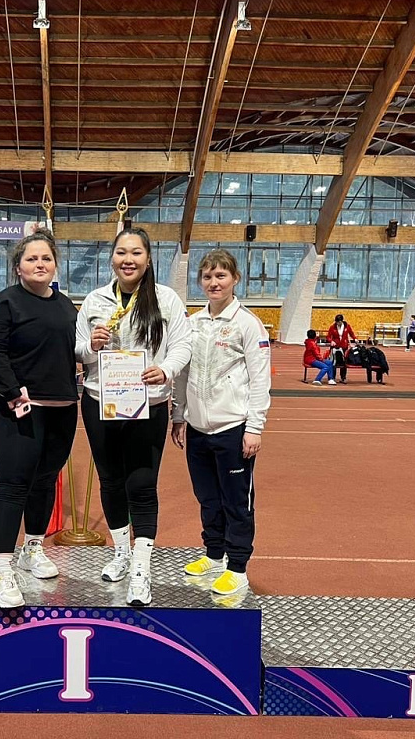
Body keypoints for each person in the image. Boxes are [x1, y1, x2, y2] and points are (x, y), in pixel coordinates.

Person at [76, 227, 192, 607]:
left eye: (136, 252)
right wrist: (90, 347)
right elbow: (77, 350)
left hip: (148, 404)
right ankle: (121, 553)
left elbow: (183, 345)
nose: (128, 259)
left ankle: (142, 568)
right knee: (110, 481)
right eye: (122, 252)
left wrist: (167, 370)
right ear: (112, 257)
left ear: (148, 258)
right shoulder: (94, 300)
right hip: (100, 402)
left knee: (141, 485)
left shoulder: (166, 299)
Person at [0, 229, 79, 608]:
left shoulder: (66, 305)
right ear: (18, 267)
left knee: (45, 482)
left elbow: (71, 351)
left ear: (55, 265)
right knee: (12, 486)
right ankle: (2, 570)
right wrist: (12, 394)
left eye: (46, 258)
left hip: (62, 409)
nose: (40, 264)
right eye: (32, 259)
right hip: (19, 410)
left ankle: (33, 548)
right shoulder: (6, 303)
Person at [170, 249, 271, 597]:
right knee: (207, 498)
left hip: (233, 430)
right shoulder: (193, 324)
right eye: (208, 277)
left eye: (221, 276)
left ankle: (237, 567)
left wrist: (254, 427)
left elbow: (260, 379)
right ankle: (214, 555)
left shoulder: (248, 324)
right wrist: (178, 415)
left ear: (235, 279)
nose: (214, 283)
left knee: (236, 502)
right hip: (197, 430)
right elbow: (182, 374)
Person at [326, 314, 355, 383]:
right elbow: (328, 337)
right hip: (335, 347)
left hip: (344, 346)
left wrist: (355, 338)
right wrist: (331, 341)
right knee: (334, 362)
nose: (337, 323)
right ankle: (332, 377)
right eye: (336, 322)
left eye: (339, 322)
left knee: (344, 362)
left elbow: (351, 334)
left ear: (342, 321)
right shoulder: (332, 327)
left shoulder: (347, 326)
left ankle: (343, 377)